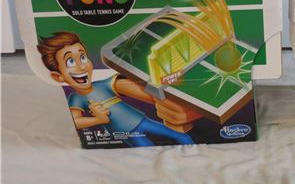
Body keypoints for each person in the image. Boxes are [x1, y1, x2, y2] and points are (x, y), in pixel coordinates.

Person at [37, 31, 194, 147]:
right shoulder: (76, 98)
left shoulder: (103, 84)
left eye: (83, 57)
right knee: (148, 150)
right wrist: (98, 120)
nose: (82, 66)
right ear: (58, 77)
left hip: (142, 120)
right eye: (70, 62)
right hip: (124, 133)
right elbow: (77, 121)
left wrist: (162, 98)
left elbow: (131, 89)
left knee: (182, 137)